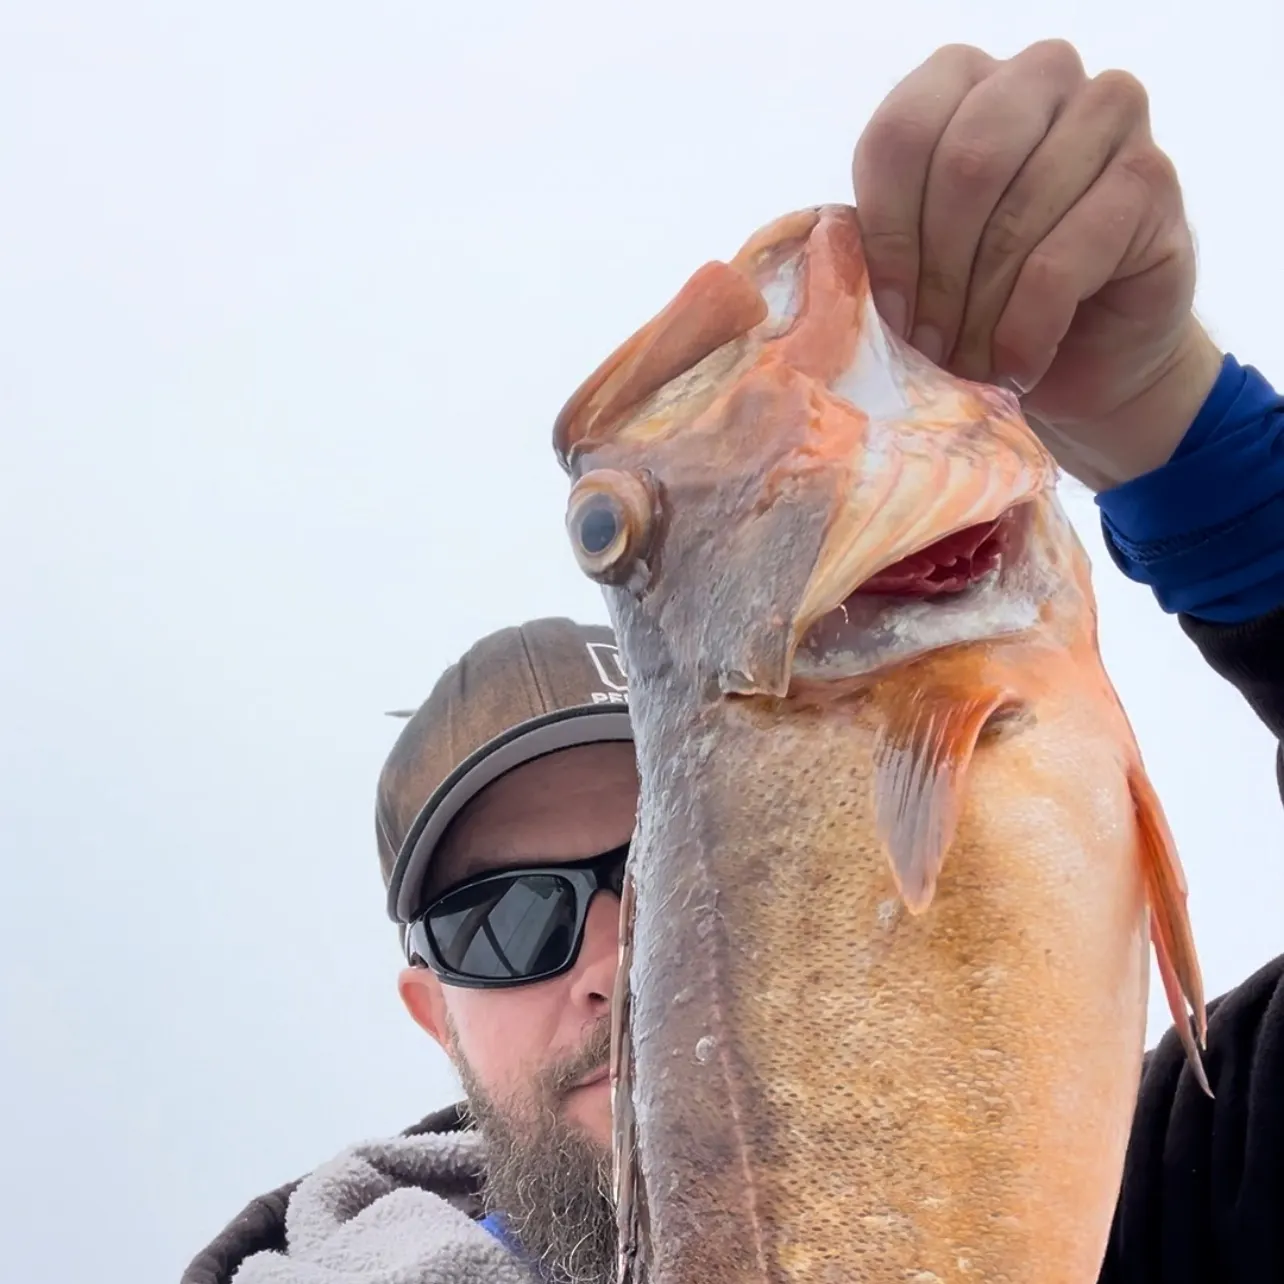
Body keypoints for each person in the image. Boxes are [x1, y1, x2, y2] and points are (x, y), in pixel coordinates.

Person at [183, 39, 1284, 1284]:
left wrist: (1185, 435)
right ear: (435, 1013)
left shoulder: (1158, 1201)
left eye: (668, 864)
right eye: (506, 922)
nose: (614, 964)